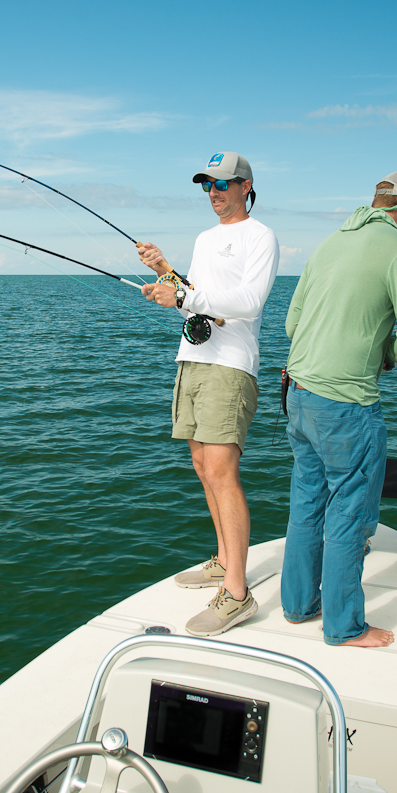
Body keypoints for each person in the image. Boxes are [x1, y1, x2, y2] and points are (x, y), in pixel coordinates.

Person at [280, 170, 397, 649]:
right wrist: (385, 354)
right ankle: (344, 626)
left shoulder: (329, 243)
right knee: (350, 512)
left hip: (297, 393)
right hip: (346, 406)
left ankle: (299, 605)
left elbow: (291, 324)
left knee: (308, 503)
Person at [137, 152, 279, 637]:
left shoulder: (259, 236)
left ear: (246, 186)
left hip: (230, 365)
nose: (215, 193)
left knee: (222, 470)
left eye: (223, 184)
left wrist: (181, 296)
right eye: (207, 186)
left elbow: (247, 303)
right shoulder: (204, 238)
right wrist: (166, 274)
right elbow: (197, 297)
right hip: (193, 359)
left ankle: (237, 595)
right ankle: (222, 561)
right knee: (201, 465)